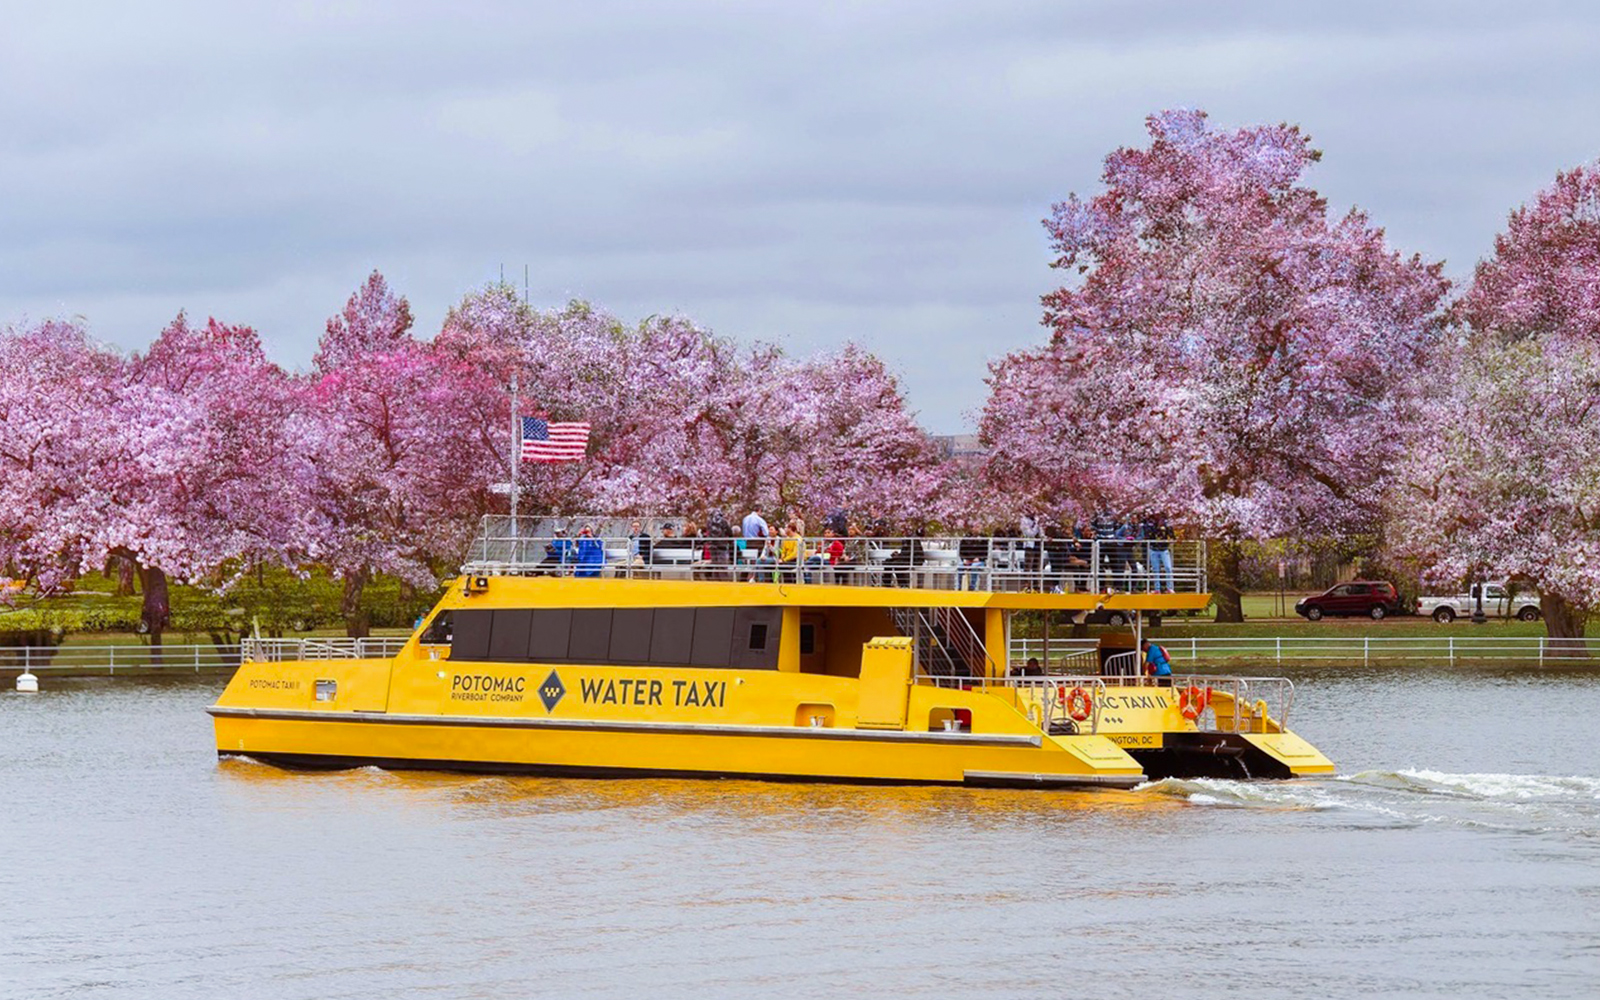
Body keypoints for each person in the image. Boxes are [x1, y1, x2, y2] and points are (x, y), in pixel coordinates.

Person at [1148, 514, 1175, 593]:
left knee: (1168, 568)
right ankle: (1157, 589)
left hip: (1164, 550)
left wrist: (1170, 539)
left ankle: (1169, 588)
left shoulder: (1168, 527)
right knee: (1155, 569)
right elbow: (1149, 536)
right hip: (1154, 550)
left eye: (1162, 520)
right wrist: (1157, 530)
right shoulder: (1153, 527)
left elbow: (1172, 537)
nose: (1161, 522)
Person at [958, 528, 989, 592]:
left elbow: (986, 553)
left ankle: (972, 587)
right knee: (960, 566)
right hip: (967, 560)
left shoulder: (984, 539)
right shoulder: (965, 539)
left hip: (979, 561)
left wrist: (979, 559)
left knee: (974, 566)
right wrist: (965, 559)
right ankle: (958, 586)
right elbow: (961, 552)